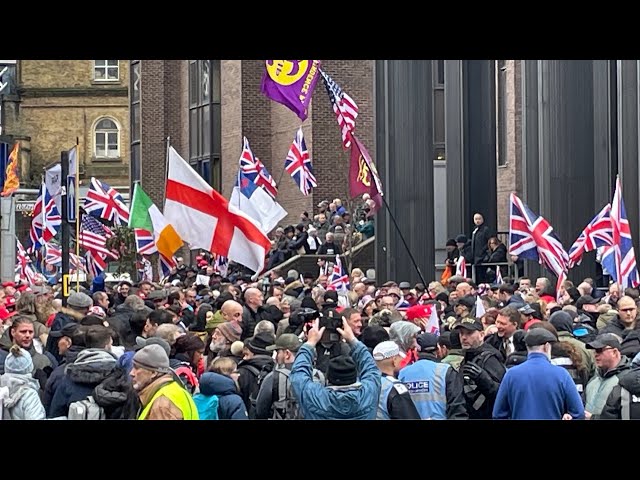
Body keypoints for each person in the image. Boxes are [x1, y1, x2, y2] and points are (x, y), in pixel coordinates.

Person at [290, 317, 381, 420]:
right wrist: (352, 339)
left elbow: (298, 374)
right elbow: (371, 368)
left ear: (328, 379)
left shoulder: (314, 396)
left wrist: (310, 343)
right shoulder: (369, 392)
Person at [492, 328, 585, 420]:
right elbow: (578, 412)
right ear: (547, 346)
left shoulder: (511, 375)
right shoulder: (561, 375)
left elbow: (498, 414)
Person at [130, 344, 199, 420]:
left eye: (137, 368)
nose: (131, 373)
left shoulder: (162, 405)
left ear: (153, 373)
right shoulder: (172, 389)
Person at [372, 341, 420, 420]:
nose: (401, 360)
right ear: (394, 360)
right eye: (399, 357)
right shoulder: (395, 388)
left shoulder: (365, 382)